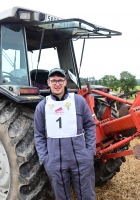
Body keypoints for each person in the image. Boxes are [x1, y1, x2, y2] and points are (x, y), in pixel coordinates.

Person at [34, 68, 96, 200]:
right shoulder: (42, 106)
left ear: (65, 82)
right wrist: (45, 159)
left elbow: (90, 126)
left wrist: (90, 152)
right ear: (48, 83)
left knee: (87, 196)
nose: (57, 84)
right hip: (55, 161)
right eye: (54, 80)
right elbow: (38, 134)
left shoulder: (78, 101)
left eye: (60, 80)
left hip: (81, 158)